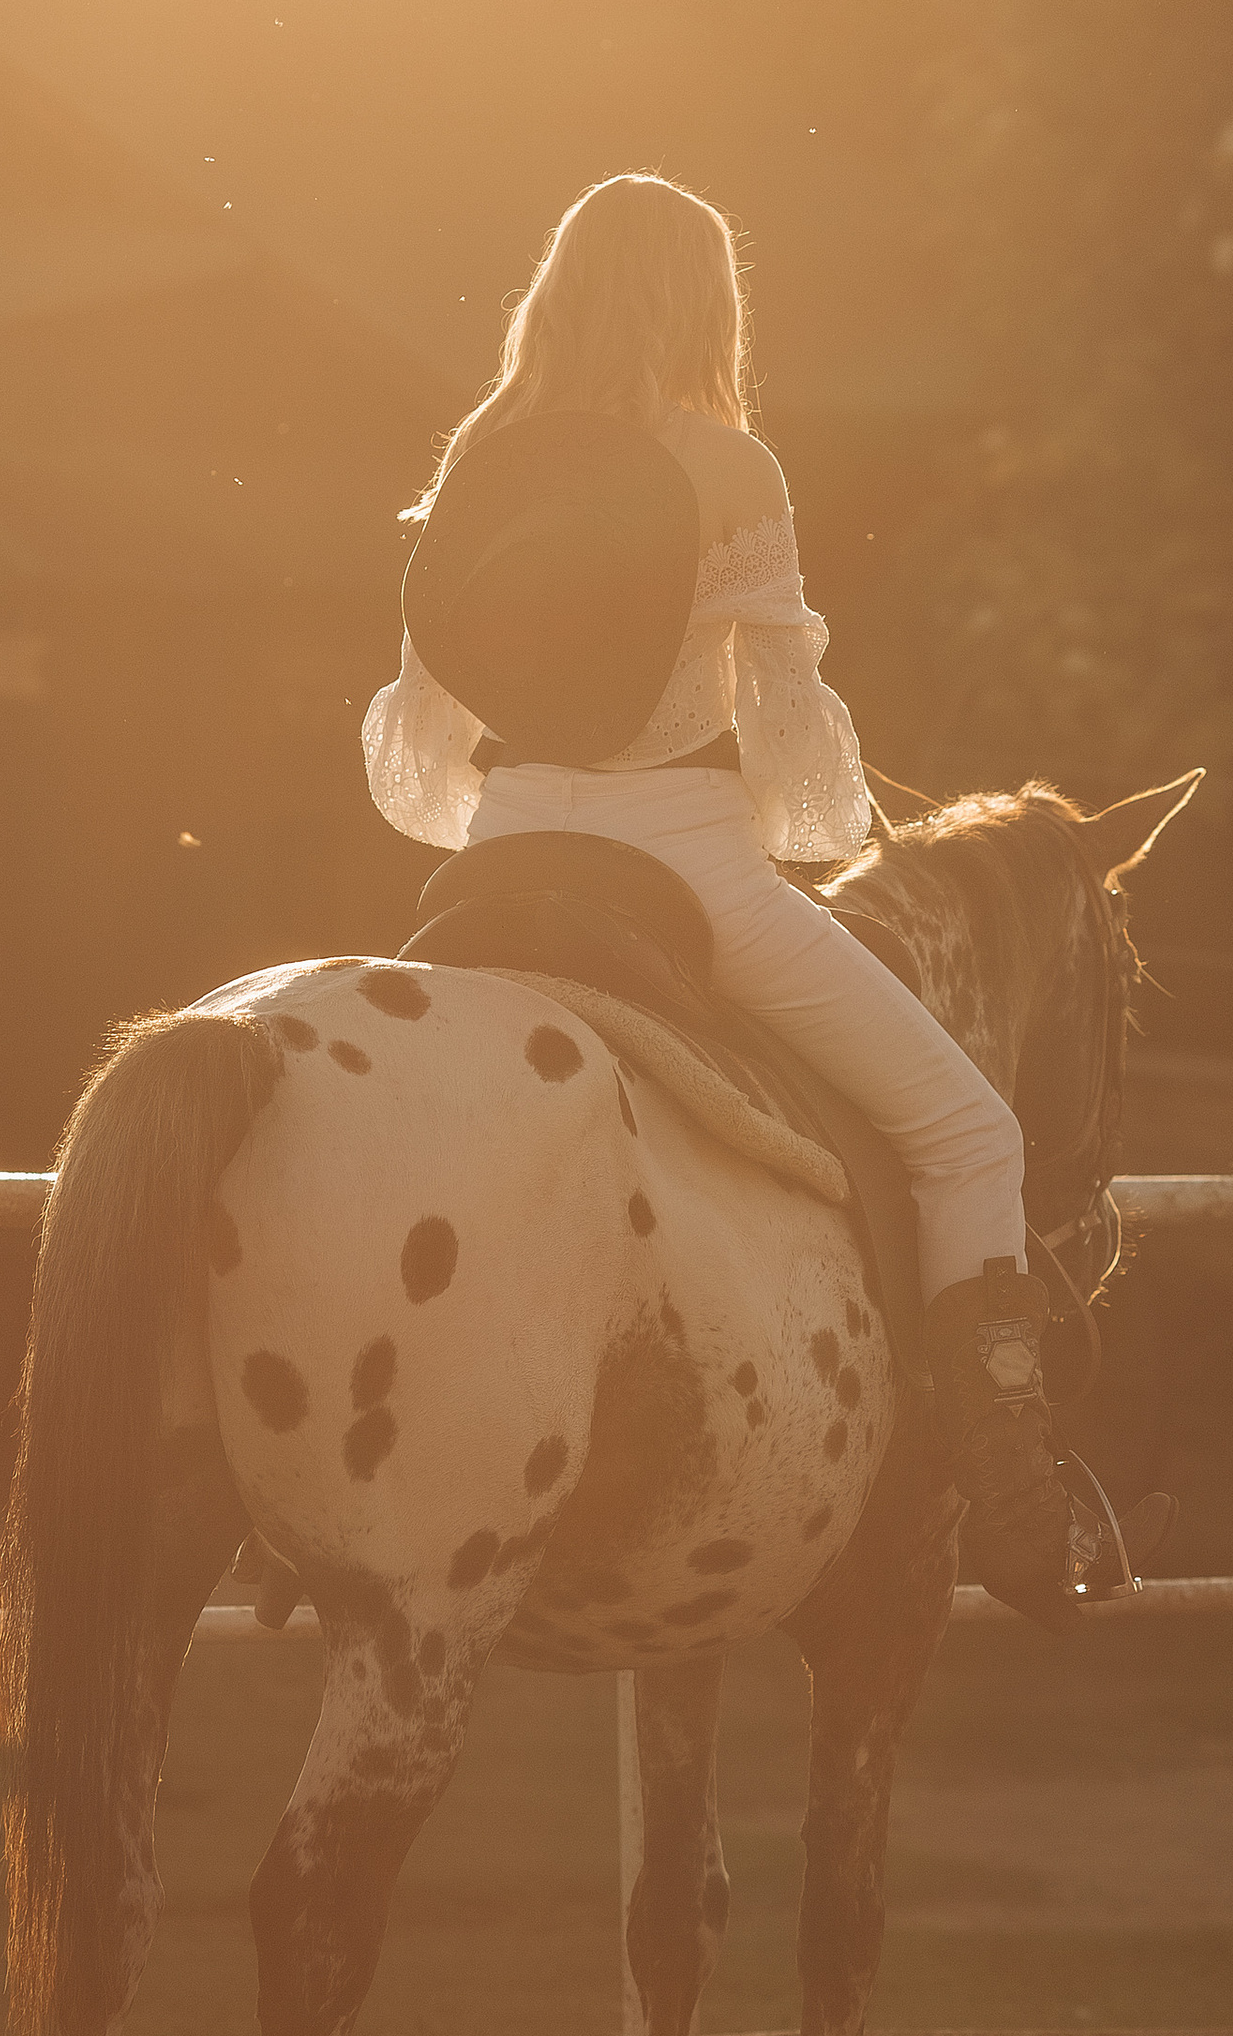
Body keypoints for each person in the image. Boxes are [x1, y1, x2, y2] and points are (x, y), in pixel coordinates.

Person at [361, 170, 1163, 1623]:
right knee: (968, 1131)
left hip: (495, 855)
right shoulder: (729, 470)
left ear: (560, 289)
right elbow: (791, 733)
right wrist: (809, 825)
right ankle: (1014, 1498)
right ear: (704, 301)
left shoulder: (488, 451)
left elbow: (425, 723)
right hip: (685, 867)